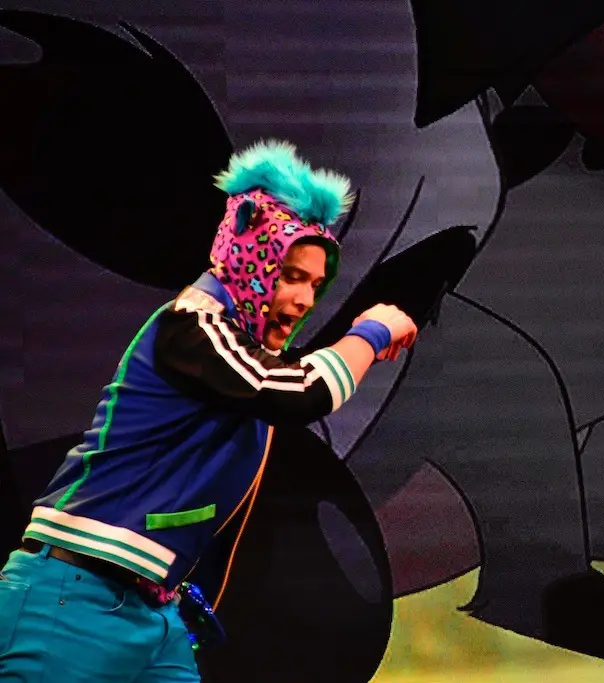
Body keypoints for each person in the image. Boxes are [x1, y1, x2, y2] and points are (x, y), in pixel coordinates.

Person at [0, 140, 418, 682]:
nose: (304, 300)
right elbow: (299, 394)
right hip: (74, 600)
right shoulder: (192, 325)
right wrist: (371, 332)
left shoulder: (239, 358)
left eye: (316, 285)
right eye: (291, 275)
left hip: (151, 616)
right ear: (251, 259)